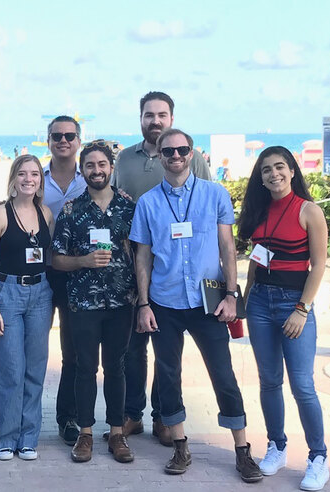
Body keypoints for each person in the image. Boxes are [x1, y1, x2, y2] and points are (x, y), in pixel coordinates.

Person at [130, 129, 263, 483]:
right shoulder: (148, 203)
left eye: (182, 150)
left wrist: (233, 295)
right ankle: (180, 445)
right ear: (159, 156)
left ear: (192, 154)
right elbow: (142, 257)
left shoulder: (214, 193)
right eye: (168, 151)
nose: (175, 156)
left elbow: (227, 248)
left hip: (209, 302)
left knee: (223, 375)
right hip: (165, 302)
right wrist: (143, 304)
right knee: (169, 376)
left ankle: (242, 450)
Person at [111, 91, 211, 446]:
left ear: (172, 118)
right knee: (134, 345)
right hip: (133, 263)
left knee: (168, 351)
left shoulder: (191, 157)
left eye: (162, 114)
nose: (155, 120)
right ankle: (133, 413)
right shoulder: (123, 159)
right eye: (149, 114)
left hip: (176, 268)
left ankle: (165, 416)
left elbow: (208, 204)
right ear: (141, 118)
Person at [238, 146, 329, 491]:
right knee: (269, 381)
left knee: (302, 385)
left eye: (279, 167)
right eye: (266, 170)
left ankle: (318, 457)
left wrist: (302, 309)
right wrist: (246, 301)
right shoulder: (258, 211)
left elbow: (318, 265)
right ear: (260, 178)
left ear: (292, 171)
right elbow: (256, 261)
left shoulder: (309, 211)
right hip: (261, 302)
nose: (273, 174)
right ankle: (276, 445)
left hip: (295, 303)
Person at [52, 141, 136, 464]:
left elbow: (142, 251)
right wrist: (84, 261)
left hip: (121, 302)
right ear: (82, 169)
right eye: (90, 165)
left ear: (111, 168)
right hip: (82, 304)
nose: (96, 170)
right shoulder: (72, 210)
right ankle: (85, 434)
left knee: (116, 367)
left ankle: (117, 433)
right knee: (85, 368)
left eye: (102, 164)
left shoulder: (129, 207)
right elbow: (56, 259)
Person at [0, 154, 53, 461]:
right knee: (10, 369)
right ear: (13, 178)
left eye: (35, 174)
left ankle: (28, 438)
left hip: (41, 294)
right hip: (7, 293)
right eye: (23, 173)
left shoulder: (46, 213)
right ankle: (5, 438)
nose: (29, 179)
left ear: (40, 180)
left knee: (35, 369)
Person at [42, 116, 86, 446]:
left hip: (76, 272)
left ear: (78, 140)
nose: (63, 140)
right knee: (31, 349)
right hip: (40, 273)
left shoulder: (91, 178)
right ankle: (21, 416)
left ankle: (67, 417)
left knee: (73, 351)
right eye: (57, 135)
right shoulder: (33, 178)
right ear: (48, 140)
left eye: (69, 135)